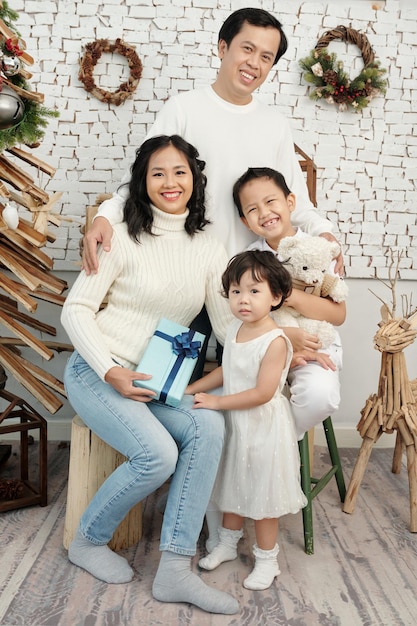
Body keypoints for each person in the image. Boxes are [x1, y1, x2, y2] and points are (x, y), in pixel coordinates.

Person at [61, 134, 239, 615]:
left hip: (159, 378)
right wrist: (111, 370)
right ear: (142, 180)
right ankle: (87, 541)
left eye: (179, 171)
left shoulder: (207, 244)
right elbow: (75, 311)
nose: (169, 182)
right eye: (157, 172)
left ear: (194, 179)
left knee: (209, 425)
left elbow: (226, 322)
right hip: (98, 371)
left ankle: (175, 571)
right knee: (157, 455)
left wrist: (275, 344)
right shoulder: (118, 231)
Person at [82, 7, 342, 280]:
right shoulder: (183, 109)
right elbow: (138, 180)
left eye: (266, 57)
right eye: (247, 49)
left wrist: (324, 233)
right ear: (222, 47)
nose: (254, 63)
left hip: (248, 282)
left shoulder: (274, 124)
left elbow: (296, 203)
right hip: (183, 273)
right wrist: (104, 218)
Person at [185, 250, 307, 591]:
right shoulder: (238, 330)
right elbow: (229, 369)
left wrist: (218, 401)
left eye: (254, 291)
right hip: (237, 425)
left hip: (263, 427)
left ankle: (268, 560)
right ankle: (227, 542)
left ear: (276, 296)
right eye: (236, 291)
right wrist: (193, 388)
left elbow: (263, 392)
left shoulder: (275, 340)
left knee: (262, 496)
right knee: (232, 482)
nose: (243, 299)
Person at [233, 167, 346, 440]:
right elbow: (242, 316)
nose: (265, 213)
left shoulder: (320, 249)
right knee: (238, 402)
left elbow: (338, 314)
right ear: (245, 221)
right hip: (264, 350)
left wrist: (290, 296)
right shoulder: (249, 259)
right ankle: (258, 449)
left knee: (320, 396)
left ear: (290, 202)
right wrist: (283, 338)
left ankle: (278, 444)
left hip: (314, 346)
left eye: (271, 201)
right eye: (253, 209)